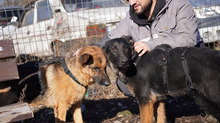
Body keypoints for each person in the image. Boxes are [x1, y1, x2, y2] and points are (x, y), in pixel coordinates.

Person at [96, 0, 198, 56]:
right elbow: (110, 39)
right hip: (157, 68)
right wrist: (90, 50)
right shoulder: (131, 17)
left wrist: (151, 44)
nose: (131, 3)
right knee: (123, 83)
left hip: (187, 61)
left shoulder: (179, 5)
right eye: (128, 0)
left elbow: (188, 39)